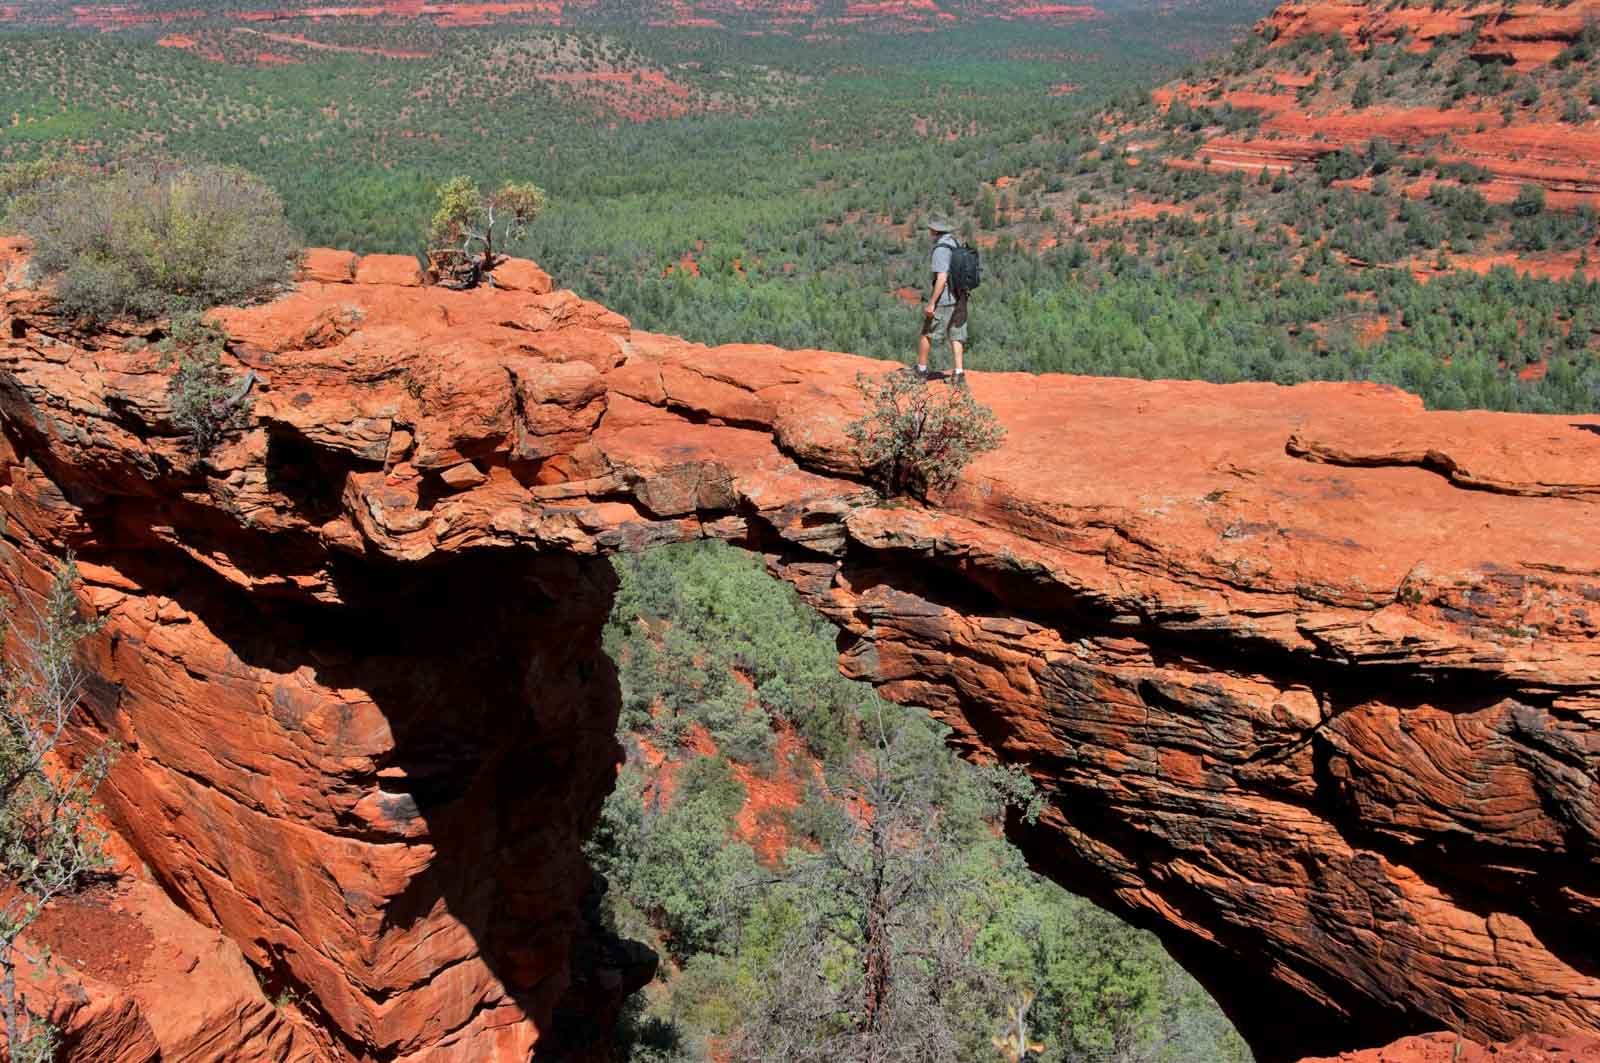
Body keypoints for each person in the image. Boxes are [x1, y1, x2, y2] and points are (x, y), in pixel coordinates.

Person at [915, 214, 968, 386]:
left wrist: (932, 303)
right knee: (956, 335)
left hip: (945, 299)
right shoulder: (955, 243)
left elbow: (942, 278)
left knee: (926, 333)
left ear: (935, 230)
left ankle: (921, 371)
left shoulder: (941, 249)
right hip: (961, 297)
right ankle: (959, 373)